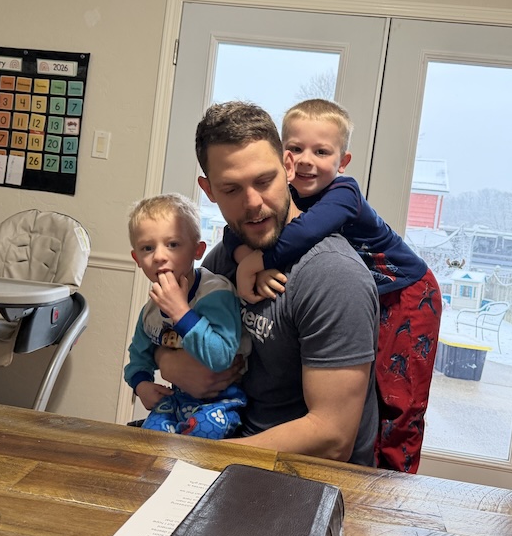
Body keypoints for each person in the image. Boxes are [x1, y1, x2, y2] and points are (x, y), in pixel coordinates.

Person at [156, 101, 380, 466]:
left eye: (264, 181)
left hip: (298, 481)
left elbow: (332, 437)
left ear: (288, 167)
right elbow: (164, 330)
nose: (253, 203)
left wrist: (201, 457)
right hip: (224, 450)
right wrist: (168, 361)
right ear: (208, 190)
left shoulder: (333, 276)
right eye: (230, 189)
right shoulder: (224, 259)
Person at [231, 99, 442, 474]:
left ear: (342, 162)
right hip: (371, 291)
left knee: (399, 401)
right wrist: (245, 260)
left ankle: (393, 486)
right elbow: (241, 235)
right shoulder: (286, 196)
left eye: (322, 151)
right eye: (296, 148)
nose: (308, 159)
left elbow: (306, 232)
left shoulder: (344, 193)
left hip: (408, 293)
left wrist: (260, 261)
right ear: (285, 159)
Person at [123, 193, 249, 439]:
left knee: (203, 431)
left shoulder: (216, 292)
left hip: (224, 400)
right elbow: (138, 357)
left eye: (173, 244)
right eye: (148, 248)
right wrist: (141, 385)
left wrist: (181, 313)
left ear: (197, 250)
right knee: (150, 439)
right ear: (137, 259)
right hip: (179, 399)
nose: (159, 256)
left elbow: (222, 357)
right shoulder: (150, 312)